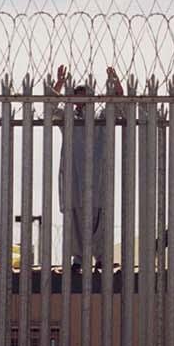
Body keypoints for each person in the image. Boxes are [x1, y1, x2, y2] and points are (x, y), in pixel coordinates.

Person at [54, 65, 122, 272]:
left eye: (85, 97)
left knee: (99, 216)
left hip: (98, 176)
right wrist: (59, 84)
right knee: (75, 216)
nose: (82, 103)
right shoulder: (69, 119)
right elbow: (49, 107)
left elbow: (119, 105)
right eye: (77, 98)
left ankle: (101, 256)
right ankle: (78, 259)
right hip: (74, 176)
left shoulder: (101, 119)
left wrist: (115, 82)